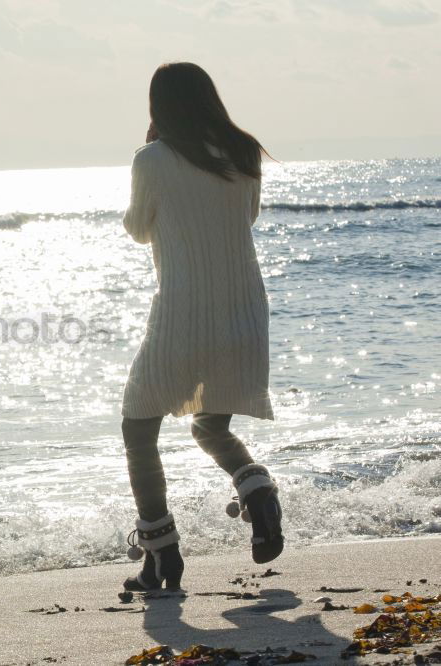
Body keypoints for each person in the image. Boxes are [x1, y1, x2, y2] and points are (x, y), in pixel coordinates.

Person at [119, 62, 283, 592]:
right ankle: (256, 490)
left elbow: (139, 229)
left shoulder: (153, 159)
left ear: (159, 106)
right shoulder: (243, 153)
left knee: (139, 428)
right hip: (242, 312)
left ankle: (162, 553)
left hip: (182, 314)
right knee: (210, 426)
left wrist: (153, 162)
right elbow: (246, 219)